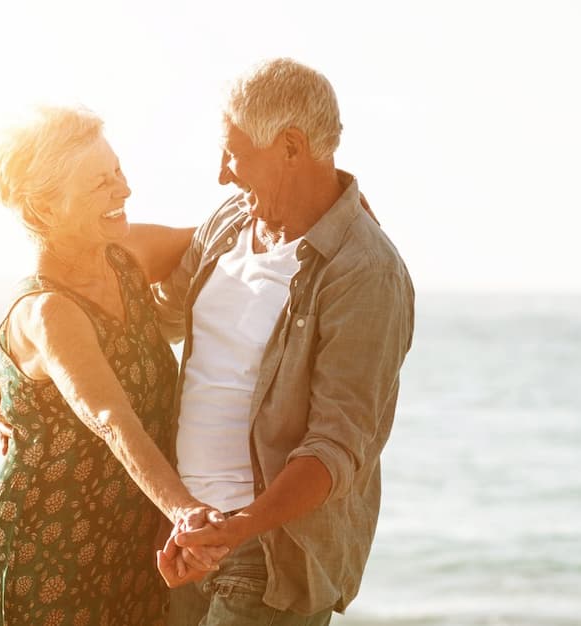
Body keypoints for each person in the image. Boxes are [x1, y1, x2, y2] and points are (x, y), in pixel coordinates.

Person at [151, 57, 415, 626]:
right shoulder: (228, 222)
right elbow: (151, 321)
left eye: (234, 153)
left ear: (291, 146)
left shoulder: (365, 271)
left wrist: (236, 529)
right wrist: (26, 376)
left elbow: (335, 447)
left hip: (267, 560)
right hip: (186, 537)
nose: (223, 174)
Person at [0, 104, 222, 625]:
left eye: (117, 171)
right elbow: (113, 420)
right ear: (45, 209)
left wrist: (321, 205)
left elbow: (224, 237)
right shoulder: (48, 311)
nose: (124, 190)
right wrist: (185, 510)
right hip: (51, 551)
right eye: (99, 183)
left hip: (133, 537)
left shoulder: (125, 254)